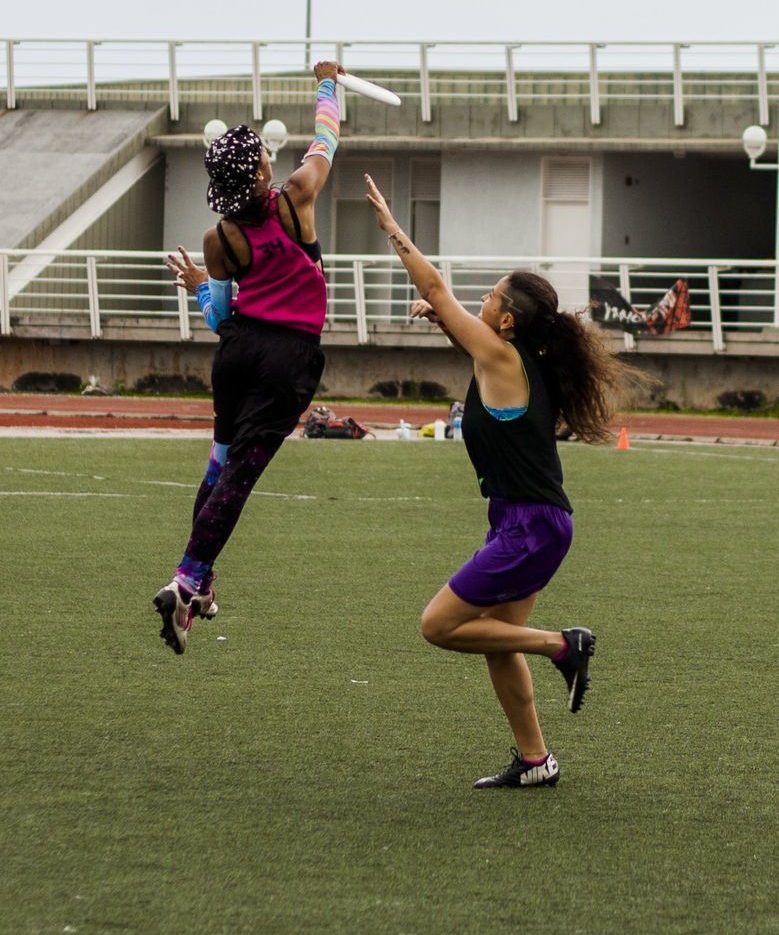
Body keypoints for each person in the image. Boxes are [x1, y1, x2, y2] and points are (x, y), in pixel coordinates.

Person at [364, 172, 641, 789]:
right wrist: (443, 319)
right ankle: (537, 761)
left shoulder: (502, 355)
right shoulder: (513, 358)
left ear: (509, 321)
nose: (481, 302)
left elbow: (435, 285)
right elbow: (458, 323)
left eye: (490, 297)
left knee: (438, 626)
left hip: (530, 525)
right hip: (533, 522)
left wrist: (391, 226)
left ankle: (562, 647)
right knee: (497, 641)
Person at [153, 60, 343, 655]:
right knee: (240, 476)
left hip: (238, 355)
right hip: (288, 360)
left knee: (219, 466)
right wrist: (329, 83)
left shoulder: (219, 239)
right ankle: (186, 582)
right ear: (263, 169)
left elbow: (223, 318)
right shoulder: (297, 197)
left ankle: (201, 584)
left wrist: (200, 287)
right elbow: (326, 138)